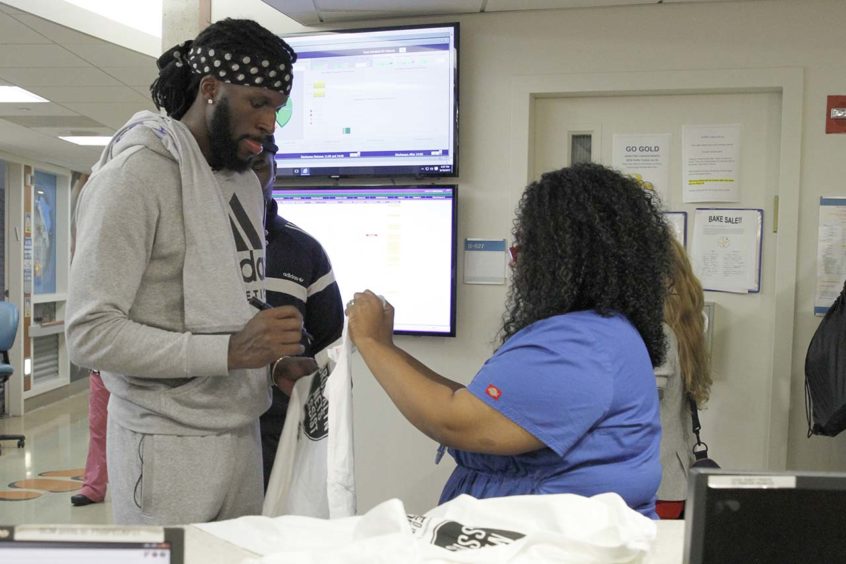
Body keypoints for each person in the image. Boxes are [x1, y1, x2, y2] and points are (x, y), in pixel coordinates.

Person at [66, 19, 311, 525]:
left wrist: (269, 364)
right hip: (164, 444)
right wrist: (228, 351)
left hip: (239, 431)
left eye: (277, 107)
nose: (270, 123)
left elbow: (224, 304)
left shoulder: (242, 184)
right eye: (258, 102)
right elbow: (88, 336)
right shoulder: (133, 178)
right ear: (211, 89)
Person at [346, 163, 672, 518]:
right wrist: (388, 348)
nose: (516, 266)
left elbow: (458, 420)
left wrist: (371, 344)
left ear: (563, 258)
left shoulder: (580, 345)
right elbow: (476, 404)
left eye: (524, 251)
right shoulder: (598, 334)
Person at [253, 137, 344, 489]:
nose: (251, 180)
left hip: (284, 434)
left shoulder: (304, 251)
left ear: (276, 170)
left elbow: (329, 346)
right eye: (240, 170)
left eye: (260, 166)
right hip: (208, 433)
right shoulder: (194, 243)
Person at [654, 237, 713, 519]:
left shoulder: (660, 333)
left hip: (657, 483)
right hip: (669, 476)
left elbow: (640, 404)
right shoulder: (681, 327)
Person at [68, 174, 109, 508]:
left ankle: (125, 485)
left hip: (137, 362)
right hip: (103, 364)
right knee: (98, 426)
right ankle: (93, 486)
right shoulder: (86, 251)